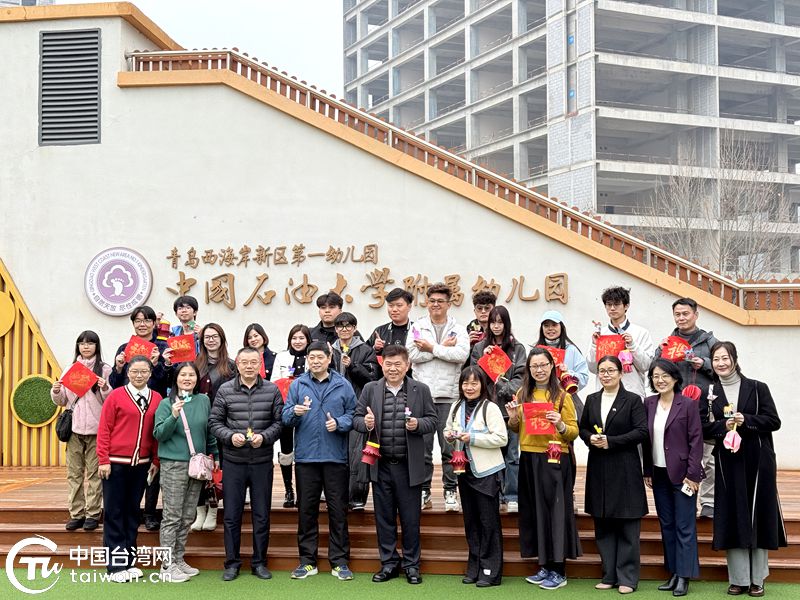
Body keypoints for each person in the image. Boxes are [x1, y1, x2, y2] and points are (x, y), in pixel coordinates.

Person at [703, 342, 786, 597]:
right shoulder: (710, 392)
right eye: (716, 359)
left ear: (735, 359)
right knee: (733, 514)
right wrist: (724, 426)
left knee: (757, 515)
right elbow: (702, 428)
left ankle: (757, 579)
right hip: (727, 462)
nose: (721, 363)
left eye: (725, 358)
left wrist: (746, 420)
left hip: (757, 460)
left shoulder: (758, 388)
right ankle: (738, 579)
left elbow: (774, 421)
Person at [352, 344, 437, 585]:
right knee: (384, 518)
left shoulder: (421, 390)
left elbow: (432, 420)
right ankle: (389, 563)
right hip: (381, 465)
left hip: (408, 466)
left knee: (410, 519)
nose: (393, 368)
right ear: (382, 365)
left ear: (407, 365)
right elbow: (356, 419)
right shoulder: (370, 389)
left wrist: (417, 424)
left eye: (398, 364)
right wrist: (366, 423)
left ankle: (411, 565)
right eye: (388, 364)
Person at [282, 341, 356, 581]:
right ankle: (307, 561)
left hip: (335, 457)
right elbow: (285, 416)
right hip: (306, 458)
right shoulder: (298, 384)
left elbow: (354, 414)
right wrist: (295, 412)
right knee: (306, 511)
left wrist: (340, 423)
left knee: (338, 511)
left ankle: (340, 562)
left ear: (329, 358)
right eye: (311, 357)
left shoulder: (342, 384)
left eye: (319, 357)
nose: (315, 361)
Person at [507, 347, 581, 590]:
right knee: (535, 512)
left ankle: (559, 570)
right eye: (534, 366)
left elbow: (573, 432)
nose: (539, 370)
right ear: (528, 369)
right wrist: (513, 417)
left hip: (554, 459)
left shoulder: (563, 397)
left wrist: (560, 424)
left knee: (555, 513)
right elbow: (517, 428)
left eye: (543, 365)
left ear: (552, 366)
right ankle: (544, 566)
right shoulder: (523, 393)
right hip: (529, 457)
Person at [209, 347, 284, 582]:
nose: (249, 366)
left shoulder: (272, 390)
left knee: (261, 515)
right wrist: (230, 436)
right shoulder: (225, 390)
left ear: (260, 364)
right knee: (232, 515)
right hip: (234, 462)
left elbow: (280, 422)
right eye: (244, 362)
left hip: (262, 461)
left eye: (253, 362)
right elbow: (214, 422)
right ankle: (232, 563)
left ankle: (259, 562)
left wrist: (265, 437)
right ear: (238, 365)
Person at [579, 355, 648, 594]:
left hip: (625, 468)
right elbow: (583, 428)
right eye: (602, 370)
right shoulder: (592, 399)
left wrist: (612, 441)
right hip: (599, 467)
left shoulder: (633, 400)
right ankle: (609, 575)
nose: (606, 374)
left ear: (621, 373)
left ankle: (627, 578)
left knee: (627, 525)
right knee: (603, 523)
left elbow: (641, 431)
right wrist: (590, 438)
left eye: (610, 370)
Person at [108, 305, 174, 531]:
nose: (142, 324)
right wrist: (118, 368)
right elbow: (115, 384)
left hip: (154, 408)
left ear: (154, 323)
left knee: (153, 458)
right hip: (128, 411)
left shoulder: (163, 347)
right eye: (138, 320)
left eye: (146, 320)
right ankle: (131, 509)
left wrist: (159, 365)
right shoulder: (124, 348)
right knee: (133, 461)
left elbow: (168, 381)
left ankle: (150, 512)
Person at [96, 355, 160, 583]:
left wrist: (155, 460)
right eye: (134, 372)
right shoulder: (116, 396)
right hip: (115, 464)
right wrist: (103, 459)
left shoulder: (156, 398)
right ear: (127, 373)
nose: (139, 376)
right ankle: (115, 566)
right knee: (114, 512)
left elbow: (156, 432)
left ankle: (129, 561)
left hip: (141, 465)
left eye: (144, 372)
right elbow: (104, 429)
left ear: (150, 374)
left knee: (132, 513)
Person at [406, 282, 470, 511]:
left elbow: (461, 355)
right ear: (427, 302)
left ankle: (450, 490)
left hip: (449, 396)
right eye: (432, 301)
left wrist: (431, 348)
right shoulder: (418, 327)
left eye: (440, 301)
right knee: (422, 449)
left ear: (448, 304)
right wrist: (442, 347)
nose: (435, 305)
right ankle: (424, 490)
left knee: (449, 447)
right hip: (422, 397)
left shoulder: (458, 329)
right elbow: (412, 355)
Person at [153, 362, 219, 583]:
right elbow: (159, 434)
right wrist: (173, 415)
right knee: (172, 515)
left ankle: (178, 559)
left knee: (188, 514)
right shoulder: (166, 403)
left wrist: (215, 455)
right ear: (176, 379)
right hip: (173, 464)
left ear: (197, 379)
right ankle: (166, 565)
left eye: (192, 375)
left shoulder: (203, 400)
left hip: (197, 465)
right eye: (183, 375)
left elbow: (209, 432)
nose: (187, 378)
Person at [642, 359, 703, 597]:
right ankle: (674, 572)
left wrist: (693, 474)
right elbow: (645, 441)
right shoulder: (648, 403)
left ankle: (684, 576)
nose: (660, 380)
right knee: (666, 524)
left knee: (684, 526)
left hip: (684, 475)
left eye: (665, 375)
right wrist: (647, 470)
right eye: (655, 376)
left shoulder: (687, 404)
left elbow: (696, 441)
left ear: (675, 378)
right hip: (658, 473)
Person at [654, 298, 718, 519]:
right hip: (676, 408)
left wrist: (704, 363)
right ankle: (682, 497)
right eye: (677, 314)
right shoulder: (668, 342)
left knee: (708, 455)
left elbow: (725, 365)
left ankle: (709, 502)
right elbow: (655, 370)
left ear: (696, 315)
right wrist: (660, 351)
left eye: (685, 314)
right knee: (680, 454)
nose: (681, 318)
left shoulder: (709, 341)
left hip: (704, 406)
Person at [444, 367, 507, 587]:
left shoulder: (491, 407)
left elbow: (502, 438)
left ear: (482, 385)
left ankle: (491, 571)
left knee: (488, 522)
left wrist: (472, 438)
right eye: (465, 383)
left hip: (487, 472)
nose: (469, 388)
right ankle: (475, 567)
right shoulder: (456, 406)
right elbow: (447, 429)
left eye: (474, 383)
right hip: (464, 471)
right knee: (471, 522)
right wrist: (449, 435)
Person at [51, 330, 112, 531]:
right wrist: (56, 391)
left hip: (96, 430)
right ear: (77, 346)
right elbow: (62, 401)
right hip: (74, 430)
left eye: (90, 343)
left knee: (95, 474)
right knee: (74, 473)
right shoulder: (70, 369)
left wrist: (105, 388)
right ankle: (76, 514)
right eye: (82, 343)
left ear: (96, 346)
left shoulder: (104, 369)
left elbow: (110, 401)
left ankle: (93, 514)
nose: (86, 346)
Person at [469, 305, 525, 512]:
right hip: (488, 410)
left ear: (506, 323)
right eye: (493, 322)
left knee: (512, 455)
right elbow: (474, 379)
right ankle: (495, 494)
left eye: (500, 322)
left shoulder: (518, 348)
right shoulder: (479, 348)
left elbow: (520, 380)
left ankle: (512, 496)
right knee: (492, 454)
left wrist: (502, 386)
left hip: (510, 408)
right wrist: (484, 361)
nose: (496, 326)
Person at [332, 312, 380, 510]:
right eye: (340, 326)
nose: (344, 329)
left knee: (357, 452)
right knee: (336, 452)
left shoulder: (365, 350)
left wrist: (352, 366)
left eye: (348, 326)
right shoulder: (329, 350)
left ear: (354, 328)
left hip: (358, 406)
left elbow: (372, 378)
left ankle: (357, 495)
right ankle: (337, 495)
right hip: (334, 409)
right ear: (336, 329)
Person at [191, 323, 236, 532]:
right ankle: (200, 510)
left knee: (218, 467)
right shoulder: (194, 364)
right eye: (207, 337)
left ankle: (214, 509)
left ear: (222, 339)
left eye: (214, 336)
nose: (211, 340)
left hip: (222, 423)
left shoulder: (231, 366)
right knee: (199, 465)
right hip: (198, 423)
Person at [587, 286, 655, 399]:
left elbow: (646, 366)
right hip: (605, 394)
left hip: (632, 394)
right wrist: (595, 345)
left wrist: (632, 345)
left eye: (617, 304)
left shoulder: (641, 332)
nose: (612, 308)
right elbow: (593, 369)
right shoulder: (600, 334)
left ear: (626, 306)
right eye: (609, 305)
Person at [272, 324, 312, 508]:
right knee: (286, 450)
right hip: (286, 410)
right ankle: (289, 489)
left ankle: (306, 490)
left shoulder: (313, 357)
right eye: (294, 338)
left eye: (301, 338)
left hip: (308, 410)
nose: (298, 341)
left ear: (308, 340)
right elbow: (274, 382)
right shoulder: (282, 356)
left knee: (305, 450)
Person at [535, 309, 589, 420]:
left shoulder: (571, 350)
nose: (550, 329)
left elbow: (584, 377)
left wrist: (568, 373)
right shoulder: (536, 351)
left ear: (561, 327)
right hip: (540, 400)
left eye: (554, 325)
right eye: (546, 325)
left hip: (567, 400)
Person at [366, 288, 414, 357]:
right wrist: (375, 348)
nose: (394, 309)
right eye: (391, 306)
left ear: (409, 307)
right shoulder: (380, 331)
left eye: (399, 305)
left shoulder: (417, 329)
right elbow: (365, 354)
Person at [464, 290, 496, 368]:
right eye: (479, 308)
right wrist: (466, 343)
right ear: (475, 311)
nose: (483, 311)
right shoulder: (469, 329)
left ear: (494, 309)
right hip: (472, 370)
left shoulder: (499, 327)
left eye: (487, 308)